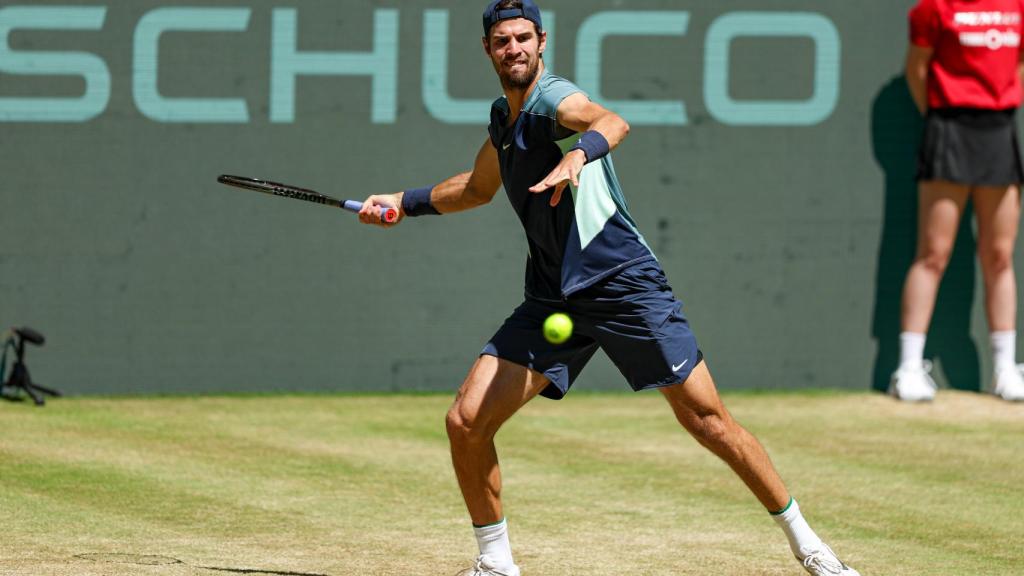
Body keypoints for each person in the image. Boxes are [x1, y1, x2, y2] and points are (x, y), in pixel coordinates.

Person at [358, 1, 860, 574]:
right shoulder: (504, 117)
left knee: (707, 421)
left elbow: (611, 122)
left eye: (524, 38)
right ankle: (496, 564)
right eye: (503, 41)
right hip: (553, 297)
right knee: (466, 422)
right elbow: (476, 187)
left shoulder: (553, 99)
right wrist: (403, 202)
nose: (514, 49)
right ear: (488, 50)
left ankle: (811, 547)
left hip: (622, 284)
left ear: (541, 42)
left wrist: (578, 159)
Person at [890, 0, 1024, 402]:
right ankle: (908, 369)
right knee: (934, 253)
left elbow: (1017, 65)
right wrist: (940, 119)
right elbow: (917, 69)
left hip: (999, 130)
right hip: (947, 129)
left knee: (1000, 254)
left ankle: (1005, 369)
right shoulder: (933, 8)